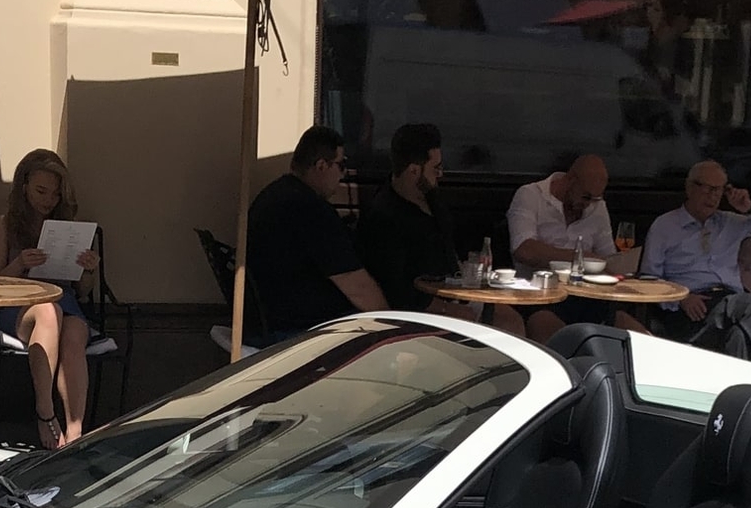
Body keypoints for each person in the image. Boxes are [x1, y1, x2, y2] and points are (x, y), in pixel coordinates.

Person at [357, 123, 525, 338]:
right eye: (435, 168)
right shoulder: (384, 217)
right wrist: (449, 309)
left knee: (510, 320)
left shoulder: (431, 198)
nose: (441, 174)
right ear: (413, 171)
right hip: (421, 307)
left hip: (452, 290)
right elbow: (396, 289)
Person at [0, 148, 100, 447]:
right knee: (49, 312)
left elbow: (83, 291)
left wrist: (88, 269)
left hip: (64, 299)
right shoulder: (5, 225)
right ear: (23, 187)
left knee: (76, 330)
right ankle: (45, 411)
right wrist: (21, 263)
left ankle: (75, 429)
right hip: (20, 304)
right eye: (40, 191)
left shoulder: (67, 228)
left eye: (54, 194)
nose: (47, 200)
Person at [245, 125, 384, 343]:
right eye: (341, 165)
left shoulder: (275, 195)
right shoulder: (308, 209)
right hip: (299, 328)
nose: (343, 173)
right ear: (321, 166)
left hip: (272, 318)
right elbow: (355, 284)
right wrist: (390, 324)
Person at [644, 160, 751, 365]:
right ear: (690, 187)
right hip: (690, 310)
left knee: (739, 335)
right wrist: (681, 298)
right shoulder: (665, 226)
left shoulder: (731, 222)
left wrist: (750, 209)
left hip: (732, 304)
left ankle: (740, 392)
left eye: (718, 191)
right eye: (708, 189)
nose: (713, 197)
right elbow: (648, 279)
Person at [505, 154, 617, 341]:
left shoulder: (597, 206)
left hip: (589, 296)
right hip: (538, 294)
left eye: (595, 198)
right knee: (557, 336)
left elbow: (608, 258)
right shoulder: (531, 195)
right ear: (570, 180)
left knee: (633, 333)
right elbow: (523, 249)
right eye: (586, 196)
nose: (589, 204)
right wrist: (580, 258)